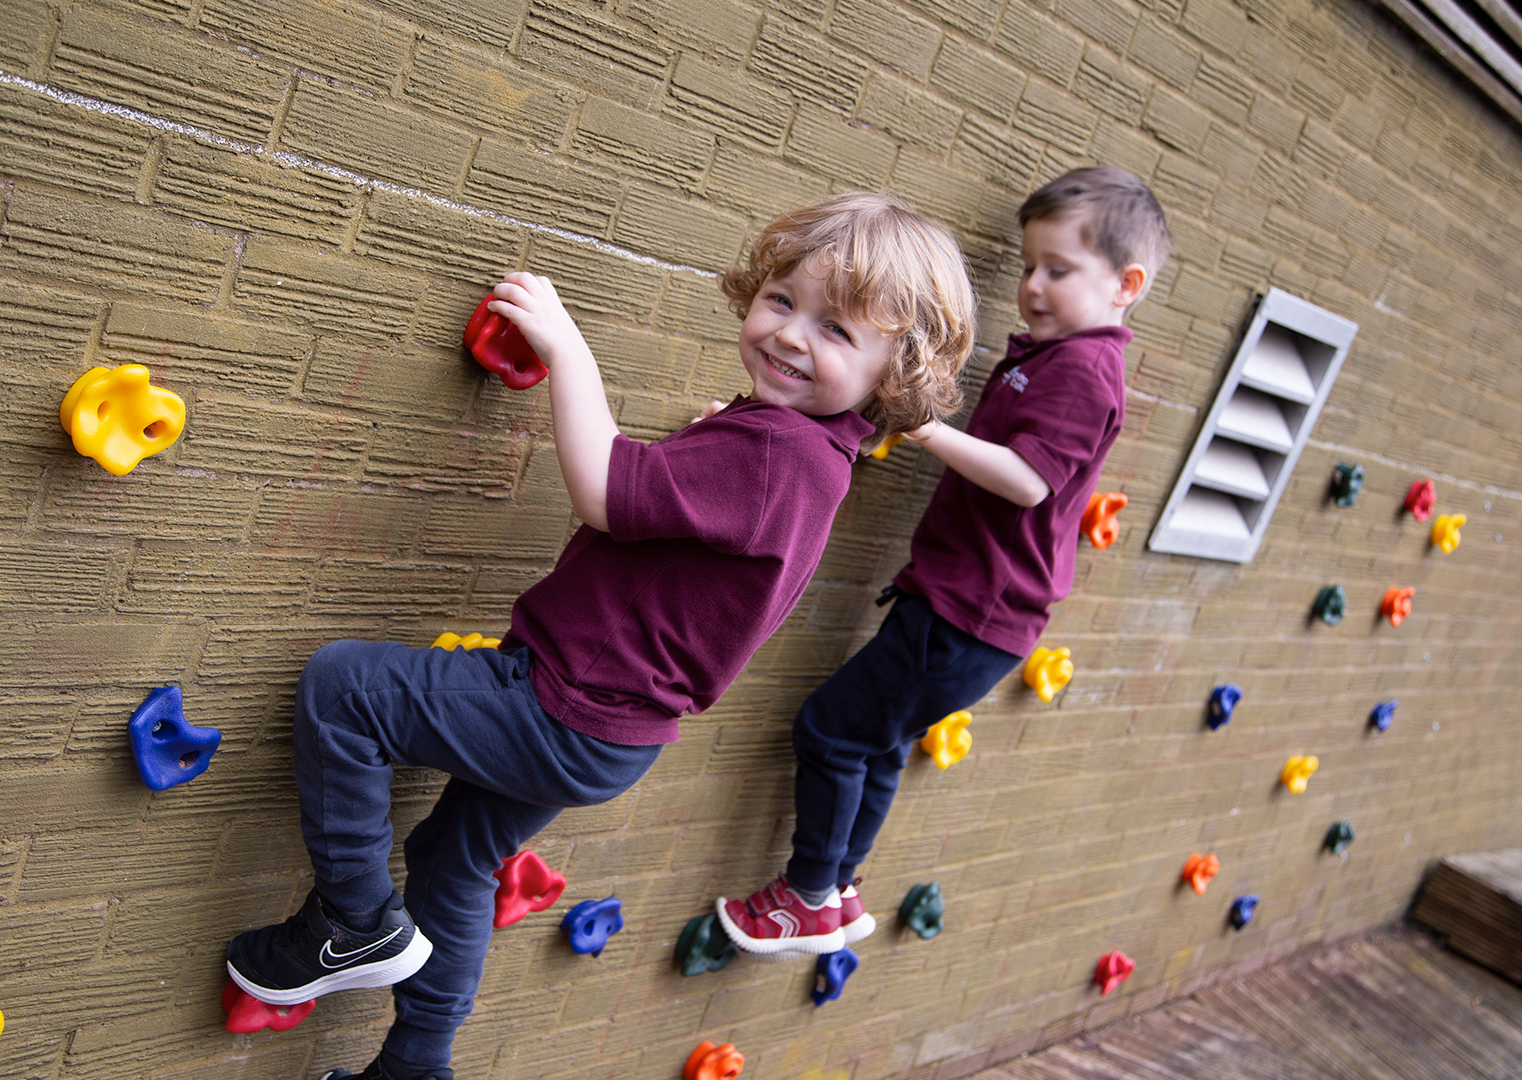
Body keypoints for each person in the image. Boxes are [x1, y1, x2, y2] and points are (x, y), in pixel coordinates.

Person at [222, 192, 977, 1080]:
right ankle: (415, 1066)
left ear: (896, 373)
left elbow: (608, 494)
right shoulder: (807, 452)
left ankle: (351, 921)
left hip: (560, 707)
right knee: (451, 862)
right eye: (782, 300)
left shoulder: (777, 453)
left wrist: (568, 348)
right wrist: (721, 434)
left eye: (837, 331)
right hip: (609, 733)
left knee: (345, 690)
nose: (790, 335)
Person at [715, 167, 1172, 960]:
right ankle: (840, 885)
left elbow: (1029, 482)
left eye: (1058, 271)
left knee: (828, 729)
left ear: (1126, 284)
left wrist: (922, 425)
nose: (1032, 285)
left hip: (970, 613)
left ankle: (806, 897)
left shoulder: (1086, 370)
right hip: (974, 612)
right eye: (1030, 265)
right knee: (878, 741)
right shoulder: (1053, 357)